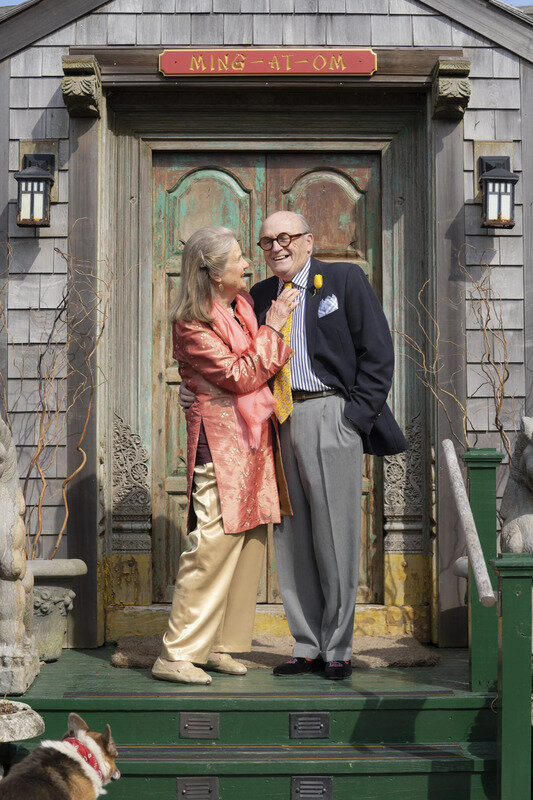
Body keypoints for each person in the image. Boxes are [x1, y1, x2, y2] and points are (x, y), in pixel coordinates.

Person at [181, 211, 407, 681]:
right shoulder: (259, 295)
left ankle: (337, 647)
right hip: (274, 422)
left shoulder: (344, 280)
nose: (275, 247)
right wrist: (193, 386)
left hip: (330, 414)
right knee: (292, 537)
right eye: (266, 241)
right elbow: (231, 355)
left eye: (285, 237)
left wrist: (353, 418)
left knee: (336, 534)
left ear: (309, 240)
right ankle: (306, 644)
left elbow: (378, 352)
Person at [152, 225, 298, 685]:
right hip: (218, 446)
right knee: (212, 546)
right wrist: (274, 327)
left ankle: (218, 644)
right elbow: (240, 374)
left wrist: (266, 325)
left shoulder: (242, 306)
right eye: (238, 258)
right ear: (214, 273)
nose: (248, 264)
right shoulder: (191, 323)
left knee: (247, 543)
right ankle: (176, 653)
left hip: (251, 442)